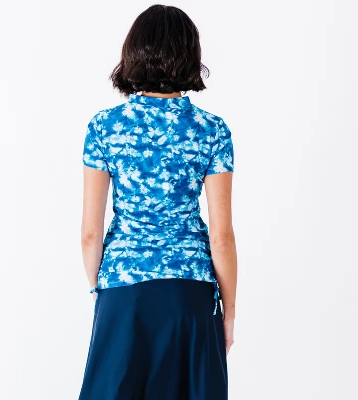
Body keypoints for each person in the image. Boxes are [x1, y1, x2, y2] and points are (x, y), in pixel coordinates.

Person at [78, 4, 237, 399]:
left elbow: (90, 233)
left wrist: (103, 289)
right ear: (191, 55)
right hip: (191, 294)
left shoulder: (104, 127)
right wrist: (229, 312)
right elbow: (221, 236)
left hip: (123, 290)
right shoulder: (212, 130)